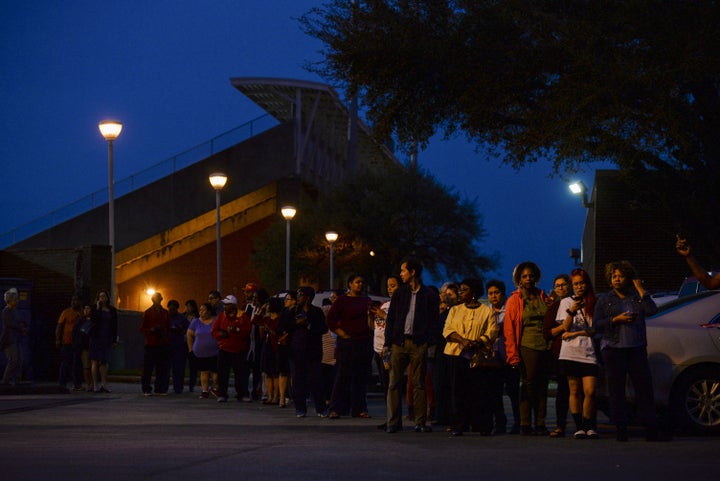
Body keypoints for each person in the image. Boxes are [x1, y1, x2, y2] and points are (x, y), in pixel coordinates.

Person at [594, 260, 669, 442]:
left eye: (620, 276)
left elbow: (652, 310)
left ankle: (651, 431)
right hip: (613, 349)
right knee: (616, 391)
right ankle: (621, 430)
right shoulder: (605, 299)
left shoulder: (636, 296)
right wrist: (615, 319)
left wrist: (642, 290)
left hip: (636, 348)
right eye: (614, 276)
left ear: (628, 277)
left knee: (644, 390)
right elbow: (596, 325)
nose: (617, 279)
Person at [383, 258, 441, 433]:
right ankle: (393, 422)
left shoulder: (429, 295)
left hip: (418, 344)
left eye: (403, 271)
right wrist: (388, 342)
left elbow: (434, 321)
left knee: (419, 383)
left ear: (413, 272)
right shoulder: (400, 293)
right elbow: (391, 319)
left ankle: (420, 422)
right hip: (399, 343)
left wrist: (427, 341)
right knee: (394, 383)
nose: (401, 274)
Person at [443, 278, 498, 437]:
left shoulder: (486, 311)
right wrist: (462, 340)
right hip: (456, 354)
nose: (461, 292)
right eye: (460, 289)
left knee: (479, 391)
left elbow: (492, 331)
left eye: (464, 290)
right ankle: (458, 424)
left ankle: (482, 424)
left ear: (473, 292)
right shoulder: (455, 310)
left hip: (477, 356)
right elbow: (447, 329)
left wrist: (477, 342)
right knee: (457, 391)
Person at [504, 261, 551, 435]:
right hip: (526, 344)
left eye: (531, 275)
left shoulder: (543, 296)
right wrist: (512, 355)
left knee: (543, 385)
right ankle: (525, 423)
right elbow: (509, 330)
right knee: (529, 384)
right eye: (524, 276)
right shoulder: (514, 300)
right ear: (519, 279)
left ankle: (540, 422)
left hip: (544, 345)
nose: (528, 278)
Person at [556, 268, 600, 439]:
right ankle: (580, 426)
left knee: (590, 391)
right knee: (574, 390)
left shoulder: (594, 302)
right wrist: (572, 310)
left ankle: (589, 425)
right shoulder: (566, 302)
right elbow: (565, 328)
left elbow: (594, 330)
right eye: (575, 284)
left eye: (582, 283)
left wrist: (576, 333)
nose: (579, 286)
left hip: (589, 352)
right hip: (570, 353)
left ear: (587, 283)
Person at [326, 274, 374, 419]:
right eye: (357, 282)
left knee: (360, 377)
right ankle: (335, 408)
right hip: (347, 344)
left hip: (363, 342)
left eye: (362, 282)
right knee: (342, 376)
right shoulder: (342, 301)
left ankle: (359, 409)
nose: (360, 285)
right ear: (350, 284)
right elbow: (331, 320)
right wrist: (342, 334)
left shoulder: (367, 300)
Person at [279, 286, 329, 418]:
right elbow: (284, 326)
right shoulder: (292, 311)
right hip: (296, 351)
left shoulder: (316, 312)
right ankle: (300, 408)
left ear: (307, 297)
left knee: (316, 380)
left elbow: (323, 329)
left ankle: (321, 408)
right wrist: (295, 323)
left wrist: (308, 324)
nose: (298, 298)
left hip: (313, 352)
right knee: (297, 381)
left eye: (301, 295)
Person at [487, 279, 520, 435]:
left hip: (509, 355)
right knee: (495, 392)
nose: (493, 296)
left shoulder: (510, 309)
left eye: (496, 292)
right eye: (490, 293)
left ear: (503, 293)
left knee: (514, 392)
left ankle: (518, 422)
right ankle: (500, 422)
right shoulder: (487, 312)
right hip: (493, 358)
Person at [542, 274, 572, 437]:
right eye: (557, 285)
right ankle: (560, 425)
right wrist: (563, 328)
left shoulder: (578, 303)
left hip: (580, 351)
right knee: (563, 390)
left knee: (579, 390)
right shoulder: (553, 308)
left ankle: (585, 424)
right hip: (559, 352)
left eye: (564, 284)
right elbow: (546, 333)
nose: (561, 288)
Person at [211, 294, 253, 403]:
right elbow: (214, 331)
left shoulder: (242, 316)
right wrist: (221, 334)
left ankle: (242, 394)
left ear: (233, 305)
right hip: (224, 349)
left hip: (239, 350)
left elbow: (247, 331)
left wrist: (237, 330)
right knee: (222, 374)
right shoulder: (221, 316)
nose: (225, 307)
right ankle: (222, 395)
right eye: (224, 304)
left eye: (227, 304)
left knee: (240, 374)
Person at [369, 275, 400, 400]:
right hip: (378, 349)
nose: (389, 289)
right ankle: (389, 412)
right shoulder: (384, 304)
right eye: (388, 286)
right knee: (384, 382)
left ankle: (393, 413)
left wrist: (383, 315)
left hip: (390, 348)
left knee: (392, 383)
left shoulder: (400, 306)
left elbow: (398, 325)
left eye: (393, 286)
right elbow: (374, 327)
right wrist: (371, 316)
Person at [140, 292, 171, 396]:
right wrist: (151, 330)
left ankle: (160, 388)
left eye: (159, 298)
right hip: (151, 343)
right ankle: (146, 388)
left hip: (163, 343)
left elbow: (168, 327)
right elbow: (142, 328)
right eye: (156, 298)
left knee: (162, 367)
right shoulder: (148, 312)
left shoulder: (165, 313)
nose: (158, 300)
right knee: (148, 367)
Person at [254, 297, 283, 406]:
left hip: (275, 348)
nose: (267, 306)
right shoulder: (267, 319)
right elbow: (254, 321)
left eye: (268, 305)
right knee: (267, 373)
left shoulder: (279, 319)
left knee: (275, 373)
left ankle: (276, 396)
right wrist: (260, 310)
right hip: (266, 347)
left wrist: (269, 330)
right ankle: (269, 396)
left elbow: (279, 334)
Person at [187, 302, 219, 399]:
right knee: (204, 372)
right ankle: (205, 390)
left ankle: (216, 388)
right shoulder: (196, 322)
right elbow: (189, 335)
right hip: (200, 352)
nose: (201, 312)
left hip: (215, 352)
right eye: (200, 310)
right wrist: (190, 348)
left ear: (209, 312)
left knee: (215, 373)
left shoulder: (215, 320)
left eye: (203, 310)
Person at [89, 290, 118, 393]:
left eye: (104, 296)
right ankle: (95, 384)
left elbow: (115, 325)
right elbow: (93, 322)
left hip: (106, 337)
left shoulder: (112, 310)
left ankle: (104, 384)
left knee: (104, 361)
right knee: (95, 361)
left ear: (107, 298)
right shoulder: (95, 309)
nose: (102, 298)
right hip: (96, 337)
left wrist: (114, 339)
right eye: (100, 296)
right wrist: (98, 309)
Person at [55, 294, 82, 389]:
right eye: (73, 300)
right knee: (65, 363)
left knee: (76, 363)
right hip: (66, 341)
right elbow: (59, 326)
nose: (74, 302)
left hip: (77, 342)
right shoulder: (66, 312)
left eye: (76, 300)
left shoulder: (81, 313)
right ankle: (62, 383)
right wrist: (58, 339)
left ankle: (76, 383)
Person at [1, 288, 26, 385]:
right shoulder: (6, 311)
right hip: (9, 340)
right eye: (15, 299)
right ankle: (6, 381)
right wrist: (21, 328)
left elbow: (20, 321)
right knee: (13, 360)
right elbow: (10, 324)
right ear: (9, 301)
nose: (17, 301)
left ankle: (17, 380)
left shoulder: (15, 311)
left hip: (17, 339)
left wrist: (23, 327)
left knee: (20, 360)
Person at [167, 299, 190, 394]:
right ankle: (164, 386)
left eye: (173, 309)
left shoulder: (182, 318)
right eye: (170, 309)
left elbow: (188, 330)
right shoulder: (165, 317)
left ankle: (178, 387)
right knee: (166, 368)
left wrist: (179, 330)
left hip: (179, 345)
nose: (171, 311)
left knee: (179, 368)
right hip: (167, 345)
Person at [71, 304, 94, 391]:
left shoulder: (94, 320)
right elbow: (76, 332)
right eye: (85, 308)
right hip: (84, 346)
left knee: (93, 365)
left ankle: (93, 383)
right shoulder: (80, 320)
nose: (86, 310)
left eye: (88, 308)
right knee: (86, 366)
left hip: (92, 345)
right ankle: (89, 384)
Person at [184, 299, 200, 392]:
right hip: (183, 343)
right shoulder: (182, 317)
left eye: (189, 306)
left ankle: (191, 385)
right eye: (186, 306)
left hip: (195, 344)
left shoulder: (198, 318)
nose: (187, 308)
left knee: (193, 367)